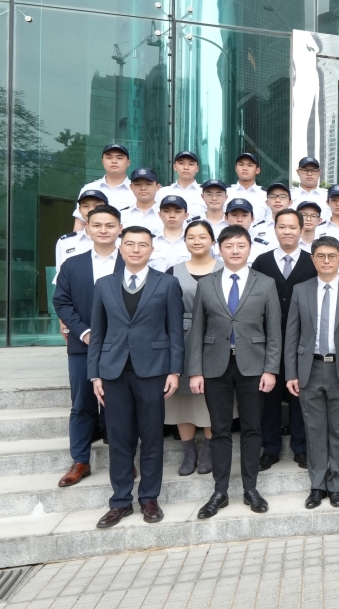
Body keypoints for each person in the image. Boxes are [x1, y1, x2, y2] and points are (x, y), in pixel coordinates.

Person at [87, 226, 184, 528]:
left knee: (152, 436)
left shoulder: (167, 283)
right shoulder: (104, 284)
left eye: (143, 245)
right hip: (113, 371)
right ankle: (120, 501)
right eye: (130, 244)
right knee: (118, 438)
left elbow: (175, 330)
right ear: (121, 248)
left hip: (153, 370)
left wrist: (175, 370)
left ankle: (149, 498)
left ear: (151, 250)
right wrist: (95, 375)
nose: (136, 249)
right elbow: (98, 332)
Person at [186, 225, 283, 519]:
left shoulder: (265, 283)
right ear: (220, 249)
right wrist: (195, 371)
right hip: (215, 366)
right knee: (220, 429)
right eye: (229, 246)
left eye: (241, 245)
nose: (235, 251)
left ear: (249, 248)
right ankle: (220, 491)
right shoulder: (207, 284)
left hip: (254, 366)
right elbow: (197, 329)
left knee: (252, 428)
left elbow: (274, 331)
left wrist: (271, 369)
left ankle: (251, 488)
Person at [284, 236, 339, 509]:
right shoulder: (301, 290)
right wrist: (291, 373)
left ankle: (336, 486)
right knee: (314, 429)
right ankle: (317, 485)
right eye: (320, 256)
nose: (326, 261)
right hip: (309, 368)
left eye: (332, 256)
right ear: (313, 259)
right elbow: (292, 334)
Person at [53, 205, 124, 488]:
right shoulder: (73, 264)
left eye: (110, 225)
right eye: (97, 225)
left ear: (119, 228)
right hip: (82, 345)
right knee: (82, 403)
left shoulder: (131, 262)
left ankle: (122, 459)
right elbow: (61, 302)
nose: (103, 230)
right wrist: (83, 332)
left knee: (118, 403)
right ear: (88, 228)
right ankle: (80, 460)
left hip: (121, 347)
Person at [252, 208, 317, 470]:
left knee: (301, 394)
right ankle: (270, 447)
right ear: (275, 229)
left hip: (303, 342)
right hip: (268, 341)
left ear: (302, 230)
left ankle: (301, 447)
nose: (287, 232)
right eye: (282, 227)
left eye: (292, 227)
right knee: (269, 396)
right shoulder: (262, 262)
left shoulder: (312, 262)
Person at [164, 220, 221, 477]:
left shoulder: (224, 269)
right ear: (185, 241)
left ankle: (209, 448)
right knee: (183, 397)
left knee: (213, 394)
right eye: (191, 237)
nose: (197, 241)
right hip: (182, 336)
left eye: (202, 236)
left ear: (212, 241)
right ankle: (189, 451)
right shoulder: (172, 272)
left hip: (216, 335)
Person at [73, 143, 134, 231]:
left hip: (129, 239)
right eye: (109, 157)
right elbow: (80, 222)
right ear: (102, 161)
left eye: (119, 158)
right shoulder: (89, 188)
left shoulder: (138, 190)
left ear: (128, 162)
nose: (114, 161)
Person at [54, 189, 106, 280]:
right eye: (85, 206)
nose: (91, 209)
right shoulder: (66, 242)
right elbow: (61, 276)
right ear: (79, 210)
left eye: (97, 205)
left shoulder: (120, 241)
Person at [157, 150, 207, 219]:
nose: (186, 167)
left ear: (197, 169)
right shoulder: (162, 192)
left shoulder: (205, 193)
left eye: (191, 164)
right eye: (181, 163)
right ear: (175, 167)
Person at [223, 198, 272, 264]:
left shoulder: (262, 247)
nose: (239, 219)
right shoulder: (216, 246)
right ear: (226, 218)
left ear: (252, 219)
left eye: (244, 215)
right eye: (234, 215)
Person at [149, 195, 190, 272]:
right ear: (159, 214)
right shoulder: (150, 241)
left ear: (186, 215)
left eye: (177, 211)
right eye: (166, 211)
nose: (172, 216)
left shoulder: (194, 241)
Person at [228, 152, 270, 222]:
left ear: (257, 170)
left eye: (250, 165)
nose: (245, 168)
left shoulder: (266, 195)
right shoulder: (225, 192)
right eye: (241, 165)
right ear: (236, 169)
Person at [121, 167, 163, 235]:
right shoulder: (122, 214)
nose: (143, 188)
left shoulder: (166, 215)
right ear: (131, 187)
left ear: (158, 187)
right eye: (137, 184)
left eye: (148, 184)